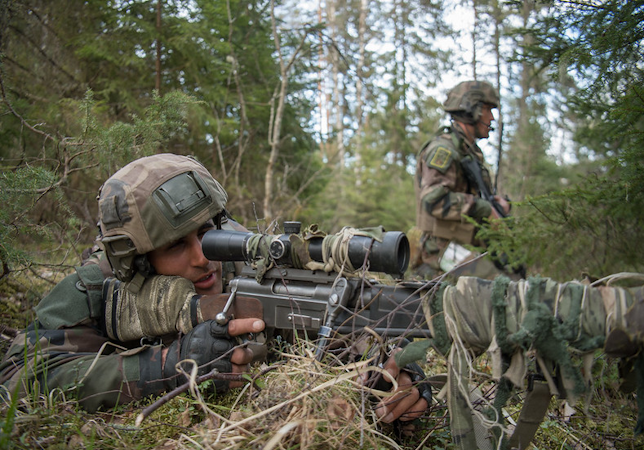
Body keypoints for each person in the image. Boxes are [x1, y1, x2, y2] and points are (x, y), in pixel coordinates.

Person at [0, 153, 428, 423]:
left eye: (207, 233)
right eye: (175, 246)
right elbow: (20, 374)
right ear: (138, 261)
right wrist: (167, 365)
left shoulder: (245, 257)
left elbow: (337, 329)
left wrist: (396, 374)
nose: (203, 256)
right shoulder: (101, 285)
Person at [411, 80, 515, 280]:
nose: (492, 117)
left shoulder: (467, 151)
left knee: (513, 276)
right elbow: (433, 199)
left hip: (465, 243)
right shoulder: (444, 150)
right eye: (488, 110)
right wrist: (485, 208)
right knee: (501, 287)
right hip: (439, 250)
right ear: (472, 109)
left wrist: (496, 205)